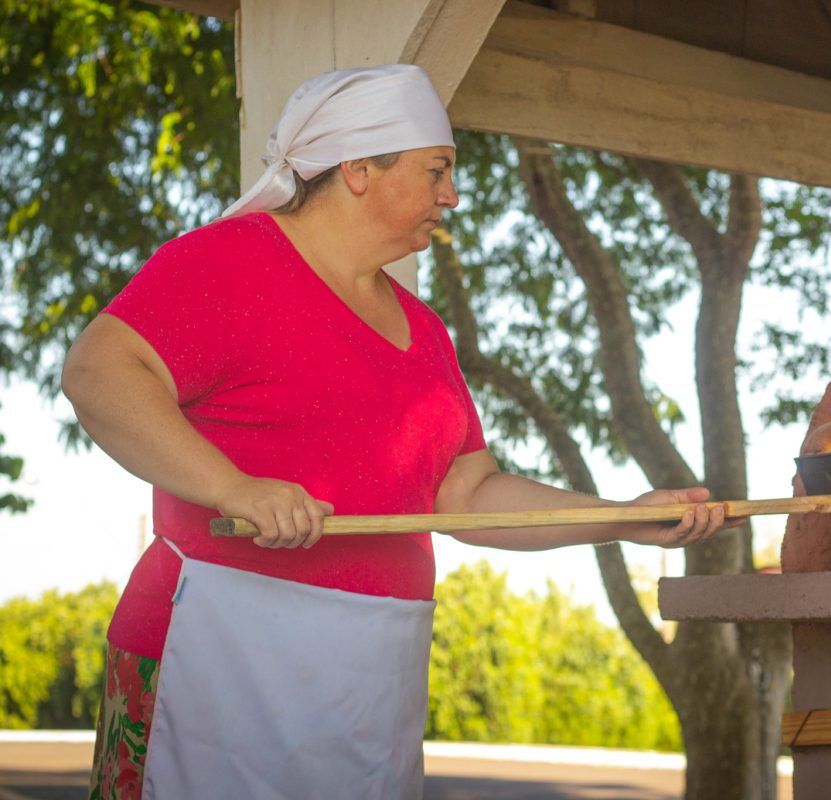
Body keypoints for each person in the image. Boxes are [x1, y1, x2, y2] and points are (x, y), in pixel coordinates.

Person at [62, 64, 731, 799]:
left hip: (371, 679)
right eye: (437, 170)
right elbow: (99, 374)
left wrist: (620, 519)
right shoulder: (228, 261)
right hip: (214, 651)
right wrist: (235, 488)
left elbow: (467, 493)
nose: (453, 194)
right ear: (356, 168)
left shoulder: (425, 331)